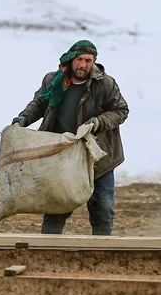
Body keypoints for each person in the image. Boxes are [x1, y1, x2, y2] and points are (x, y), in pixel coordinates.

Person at [12, 39, 129, 235]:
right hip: (63, 156)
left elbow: (120, 110)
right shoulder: (53, 81)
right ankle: (48, 254)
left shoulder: (105, 84)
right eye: (80, 59)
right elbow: (39, 103)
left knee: (102, 209)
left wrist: (98, 122)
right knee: (56, 208)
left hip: (98, 156)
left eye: (89, 60)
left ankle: (102, 254)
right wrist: (23, 118)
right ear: (71, 59)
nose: (84, 65)